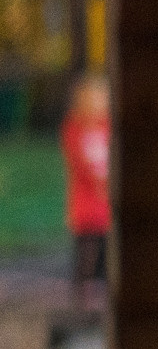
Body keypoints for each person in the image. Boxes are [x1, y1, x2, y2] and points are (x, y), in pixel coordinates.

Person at [59, 71, 110, 312]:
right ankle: (82, 303)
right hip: (87, 206)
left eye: (102, 98)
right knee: (86, 256)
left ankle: (103, 303)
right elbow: (78, 162)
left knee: (107, 255)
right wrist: (99, 181)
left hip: (107, 209)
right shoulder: (75, 128)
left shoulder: (108, 127)